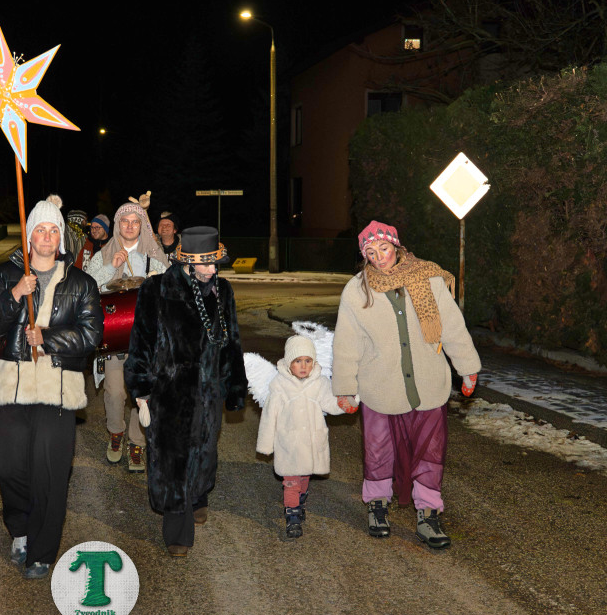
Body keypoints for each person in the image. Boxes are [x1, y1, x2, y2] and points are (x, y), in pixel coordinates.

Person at [332, 220, 481, 549]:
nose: (379, 257)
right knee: (378, 449)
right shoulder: (357, 290)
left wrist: (468, 368)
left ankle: (428, 513)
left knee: (430, 451)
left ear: (396, 246)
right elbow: (346, 343)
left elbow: (451, 326)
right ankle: (377, 505)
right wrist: (344, 388)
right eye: (371, 252)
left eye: (384, 248)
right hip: (379, 386)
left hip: (428, 384)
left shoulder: (429, 278)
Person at [0, 195, 103, 579]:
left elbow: (91, 335)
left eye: (53, 230)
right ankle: (20, 528)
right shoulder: (6, 274)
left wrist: (47, 338)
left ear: (60, 237)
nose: (47, 237)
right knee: (8, 466)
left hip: (57, 388)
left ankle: (42, 550)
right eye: (40, 230)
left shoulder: (81, 283)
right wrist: (16, 293)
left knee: (50, 471)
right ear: (29, 236)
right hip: (13, 386)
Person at [125, 226, 247, 557]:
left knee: (205, 451)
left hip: (208, 393)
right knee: (172, 460)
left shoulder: (223, 290)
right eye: (206, 264)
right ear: (188, 263)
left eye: (216, 263)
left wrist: (235, 386)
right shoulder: (156, 289)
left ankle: (198, 496)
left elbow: (232, 342)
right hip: (169, 393)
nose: (213, 270)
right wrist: (140, 387)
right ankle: (177, 531)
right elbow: (141, 342)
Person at [85, 201, 169, 473]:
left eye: (135, 221)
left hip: (146, 342)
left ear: (141, 225)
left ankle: (137, 442)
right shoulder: (103, 254)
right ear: (117, 225)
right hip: (115, 340)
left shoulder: (154, 256)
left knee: (142, 393)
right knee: (114, 391)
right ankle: (115, 432)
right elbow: (87, 288)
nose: (130, 226)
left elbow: (171, 290)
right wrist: (111, 266)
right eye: (125, 221)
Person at [256, 335, 348, 539]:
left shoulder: (320, 383)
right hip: (288, 445)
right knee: (291, 481)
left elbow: (330, 403)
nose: (303, 366)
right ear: (289, 363)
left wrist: (345, 403)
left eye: (308, 361)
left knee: (304, 478)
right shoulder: (279, 386)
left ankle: (300, 500)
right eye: (298, 361)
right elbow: (270, 416)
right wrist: (266, 445)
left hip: (312, 443)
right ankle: (292, 515)